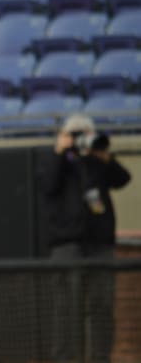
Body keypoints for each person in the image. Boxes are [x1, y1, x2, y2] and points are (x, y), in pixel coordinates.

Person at [41, 113, 131, 362]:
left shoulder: (97, 163)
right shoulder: (56, 162)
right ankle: (64, 358)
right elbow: (48, 185)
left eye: (85, 134)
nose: (81, 139)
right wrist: (60, 152)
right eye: (75, 134)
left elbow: (123, 179)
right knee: (65, 306)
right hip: (66, 242)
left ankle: (100, 358)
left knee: (101, 305)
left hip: (100, 243)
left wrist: (104, 157)